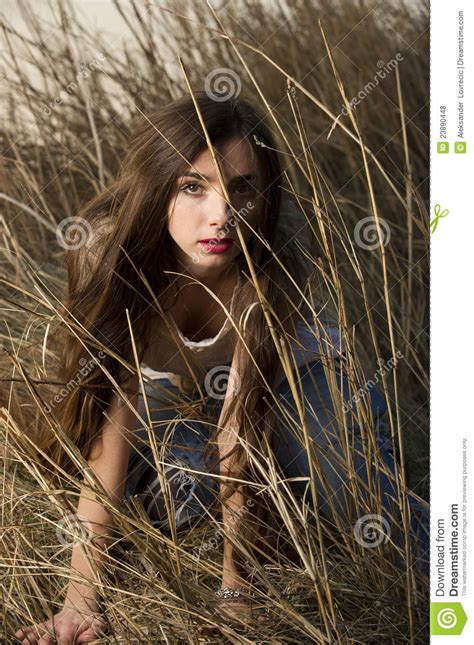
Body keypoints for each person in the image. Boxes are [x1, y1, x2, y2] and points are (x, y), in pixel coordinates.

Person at [15, 91, 428, 644]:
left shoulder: (268, 264)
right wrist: (78, 604)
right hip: (175, 402)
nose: (223, 215)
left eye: (241, 189)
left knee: (341, 482)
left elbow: (240, 426)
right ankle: (282, 516)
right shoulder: (110, 257)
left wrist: (236, 591)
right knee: (182, 487)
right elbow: (111, 427)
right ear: (157, 186)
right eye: (193, 187)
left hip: (294, 380)